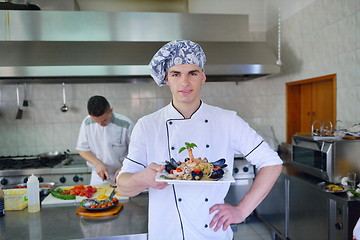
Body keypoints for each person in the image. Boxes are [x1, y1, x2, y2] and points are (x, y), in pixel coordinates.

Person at [116, 40, 283, 240]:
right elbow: (123, 185)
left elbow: (272, 163)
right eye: (176, 74)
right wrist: (141, 179)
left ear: (203, 77)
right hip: (166, 234)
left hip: (213, 232)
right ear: (167, 79)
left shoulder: (227, 120)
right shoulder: (147, 125)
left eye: (192, 73)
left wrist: (241, 211)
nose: (184, 82)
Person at [76, 95, 134, 185]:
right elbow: (82, 149)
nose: (100, 124)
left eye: (104, 120)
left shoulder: (126, 124)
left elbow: (136, 152)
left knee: (123, 199)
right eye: (96, 121)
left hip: (123, 174)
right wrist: (97, 164)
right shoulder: (87, 122)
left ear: (110, 111)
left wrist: (125, 168)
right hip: (99, 175)